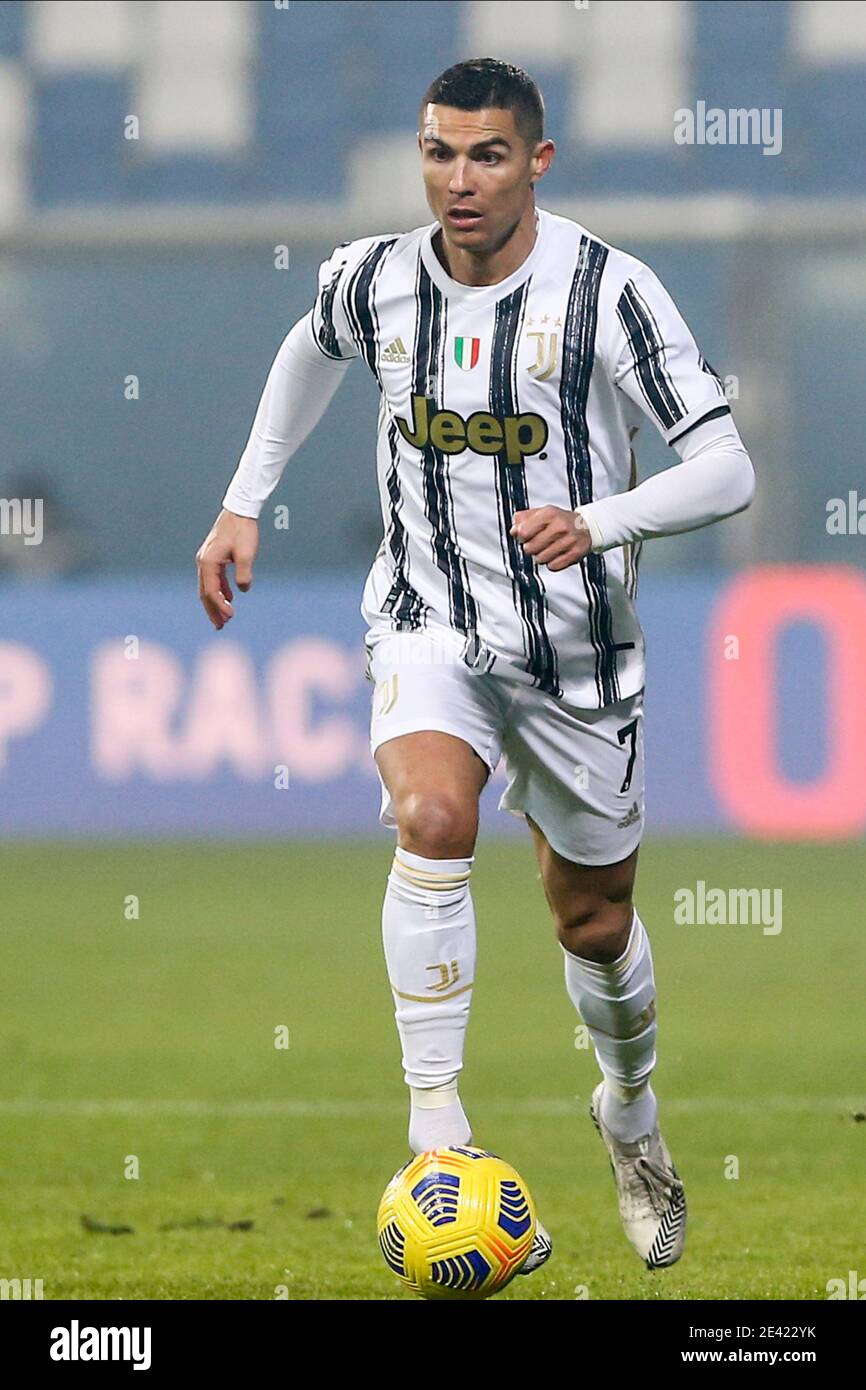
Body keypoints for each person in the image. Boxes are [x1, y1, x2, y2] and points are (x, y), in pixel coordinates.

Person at [196, 58, 755, 1276]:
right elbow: (305, 350)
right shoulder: (375, 278)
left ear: (536, 163)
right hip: (425, 614)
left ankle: (629, 1111)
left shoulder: (610, 291)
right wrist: (244, 502)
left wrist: (602, 522)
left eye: (486, 155)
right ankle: (436, 1134)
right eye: (439, 153)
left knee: (592, 920)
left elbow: (726, 469)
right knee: (430, 815)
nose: (458, 179)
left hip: (573, 650)